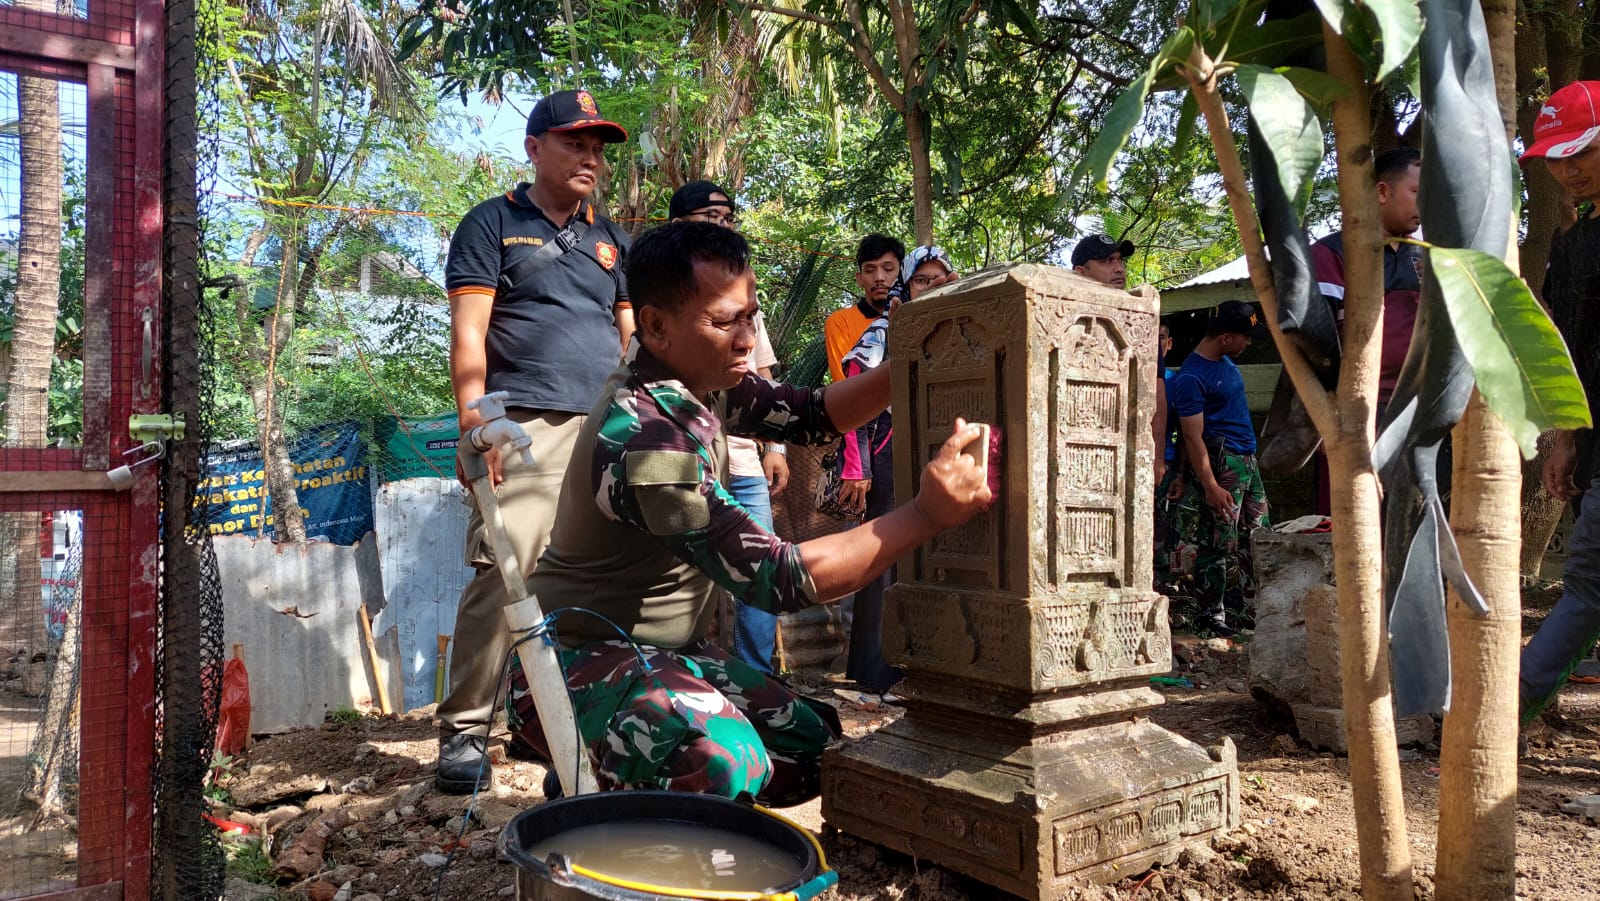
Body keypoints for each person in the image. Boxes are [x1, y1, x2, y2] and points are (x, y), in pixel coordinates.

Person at [503, 221, 992, 806]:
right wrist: (926, 515)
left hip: (665, 653)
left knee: (806, 747)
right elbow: (776, 577)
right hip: (570, 663)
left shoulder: (703, 380)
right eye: (724, 321)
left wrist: (915, 364)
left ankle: (607, 770)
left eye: (749, 316)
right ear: (656, 325)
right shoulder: (645, 438)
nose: (746, 339)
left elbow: (810, 413)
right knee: (722, 762)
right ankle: (594, 784)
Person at [435, 89, 634, 793]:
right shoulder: (492, 223)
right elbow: (468, 332)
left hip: (606, 429)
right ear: (534, 147)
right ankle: (464, 731)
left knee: (599, 579)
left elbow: (630, 340)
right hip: (523, 424)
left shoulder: (611, 240)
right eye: (575, 142)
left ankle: (573, 743)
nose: (590, 157)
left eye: (598, 147)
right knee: (507, 567)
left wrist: (643, 418)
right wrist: (475, 421)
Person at [667, 180, 790, 675]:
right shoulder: (659, 290)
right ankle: (672, 677)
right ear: (678, 226)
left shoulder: (742, 287)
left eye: (729, 216)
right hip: (684, 457)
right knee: (679, 571)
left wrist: (775, 446)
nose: (722, 224)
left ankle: (758, 680)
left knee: (762, 567)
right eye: (709, 215)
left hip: (741, 456)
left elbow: (766, 380)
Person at [835, 244, 958, 702]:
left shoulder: (959, 326)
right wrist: (857, 464)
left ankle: (924, 664)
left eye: (940, 278)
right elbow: (851, 379)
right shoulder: (890, 328)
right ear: (908, 287)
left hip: (937, 449)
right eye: (922, 279)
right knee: (885, 555)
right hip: (891, 450)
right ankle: (874, 673)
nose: (932, 286)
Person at [1515, 81, 1600, 724]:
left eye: (1581, 150)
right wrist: (1566, 438)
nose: (1567, 169)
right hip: (1594, 443)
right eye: (1556, 155)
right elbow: (1567, 350)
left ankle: (1506, 705)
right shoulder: (1572, 247)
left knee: (1589, 585)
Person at [1305, 146, 1426, 514]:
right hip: (1355, 412)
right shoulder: (1332, 255)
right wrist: (1324, 415)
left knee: (1411, 519)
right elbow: (1313, 342)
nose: (1426, 204)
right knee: (1354, 519)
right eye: (1417, 192)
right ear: (1382, 192)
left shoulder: (1426, 257)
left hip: (1416, 408)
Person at [1165, 301, 1271, 636]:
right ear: (1225, 337)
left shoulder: (1226, 361)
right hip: (1223, 464)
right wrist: (1208, 485)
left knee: (1257, 533)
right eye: (1245, 337)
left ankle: (1242, 608)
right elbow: (1191, 438)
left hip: (1247, 461)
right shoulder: (1191, 378)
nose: (1248, 343)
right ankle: (1212, 616)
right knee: (1219, 540)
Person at [825, 234, 905, 384]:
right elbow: (845, 386)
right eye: (870, 270)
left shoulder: (916, 316)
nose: (879, 277)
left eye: (888, 269)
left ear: (903, 273)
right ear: (859, 278)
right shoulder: (841, 322)